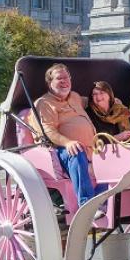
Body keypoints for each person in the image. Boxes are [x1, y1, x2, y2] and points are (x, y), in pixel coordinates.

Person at [30, 63, 106, 211]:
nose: (64, 81)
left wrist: (111, 100)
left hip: (92, 150)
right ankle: (86, 205)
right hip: (61, 151)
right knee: (76, 151)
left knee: (118, 159)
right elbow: (48, 131)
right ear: (50, 83)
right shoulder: (44, 103)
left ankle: (102, 200)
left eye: (67, 77)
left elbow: (89, 102)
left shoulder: (75, 97)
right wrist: (68, 142)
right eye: (59, 78)